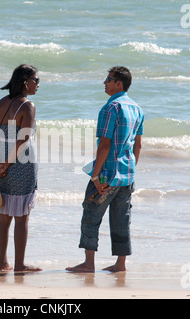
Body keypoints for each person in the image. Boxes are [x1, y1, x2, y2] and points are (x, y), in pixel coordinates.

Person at [66, 66, 144, 273]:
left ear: (119, 84)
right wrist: (131, 168)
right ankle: (120, 264)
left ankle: (89, 263)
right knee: (122, 219)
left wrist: (95, 175)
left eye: (108, 80)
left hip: (108, 173)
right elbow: (138, 146)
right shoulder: (137, 109)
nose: (104, 83)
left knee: (91, 215)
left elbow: (105, 144)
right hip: (127, 173)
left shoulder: (110, 108)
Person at [0, 64, 42, 273]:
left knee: (4, 216)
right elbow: (23, 139)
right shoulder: (27, 106)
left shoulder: (0, 104)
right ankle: (19, 265)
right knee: (22, 216)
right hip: (21, 164)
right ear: (26, 81)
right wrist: (7, 164)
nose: (38, 84)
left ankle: (2, 263)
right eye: (36, 80)